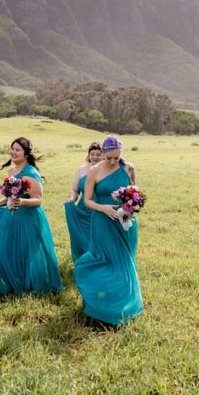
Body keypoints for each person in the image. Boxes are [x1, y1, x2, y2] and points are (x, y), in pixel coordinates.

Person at [0, 137, 62, 295]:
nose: (13, 152)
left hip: (29, 217)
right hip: (13, 217)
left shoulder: (31, 173)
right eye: (12, 149)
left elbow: (39, 200)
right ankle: (14, 281)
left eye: (18, 150)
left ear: (26, 154)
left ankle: (32, 285)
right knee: (11, 248)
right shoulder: (11, 172)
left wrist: (22, 202)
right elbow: (9, 197)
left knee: (27, 250)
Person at [73, 134, 143, 325]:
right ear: (103, 153)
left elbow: (134, 193)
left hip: (124, 223)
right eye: (109, 157)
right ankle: (98, 306)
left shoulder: (128, 168)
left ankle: (123, 307)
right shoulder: (94, 172)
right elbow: (87, 201)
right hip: (102, 222)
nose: (113, 162)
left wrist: (130, 207)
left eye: (116, 157)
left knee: (122, 263)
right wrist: (103, 208)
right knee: (100, 260)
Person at [64, 142, 102, 261]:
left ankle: (98, 259)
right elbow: (75, 189)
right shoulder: (81, 170)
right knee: (83, 235)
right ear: (88, 155)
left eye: (98, 154)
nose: (95, 157)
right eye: (92, 154)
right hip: (83, 207)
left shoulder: (105, 170)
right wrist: (72, 199)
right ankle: (84, 259)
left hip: (99, 208)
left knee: (97, 236)